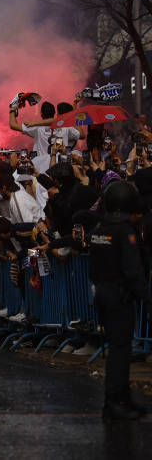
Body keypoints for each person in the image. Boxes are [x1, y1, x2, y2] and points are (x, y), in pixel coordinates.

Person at [89, 180, 150, 421]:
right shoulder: (125, 231)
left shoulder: (99, 229)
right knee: (120, 350)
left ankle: (120, 399)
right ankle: (116, 402)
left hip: (103, 291)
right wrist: (146, 297)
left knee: (117, 348)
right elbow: (133, 269)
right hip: (119, 294)